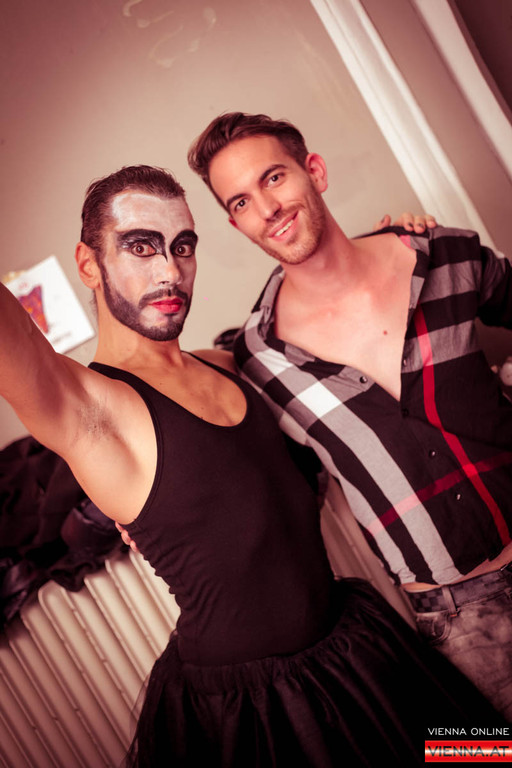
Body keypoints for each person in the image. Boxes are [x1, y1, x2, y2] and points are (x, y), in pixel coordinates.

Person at [0, 164, 502, 767]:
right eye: (140, 247)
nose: (169, 271)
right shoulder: (86, 409)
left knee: (480, 754)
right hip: (262, 710)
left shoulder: (228, 363)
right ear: (88, 263)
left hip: (358, 646)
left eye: (182, 246)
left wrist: (393, 249)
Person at [187, 112, 512, 720]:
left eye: (274, 177)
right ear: (235, 223)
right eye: (242, 201)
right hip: (456, 621)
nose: (267, 208)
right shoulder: (259, 362)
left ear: (314, 171)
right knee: (475, 755)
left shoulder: (441, 254)